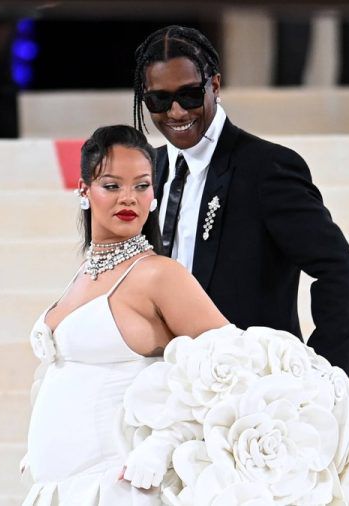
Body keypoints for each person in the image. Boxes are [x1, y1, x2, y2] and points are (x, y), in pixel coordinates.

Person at [132, 25, 349, 378]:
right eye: (159, 100)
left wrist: (321, 377)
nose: (176, 112)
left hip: (254, 393)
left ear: (215, 86)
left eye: (190, 95)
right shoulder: (150, 169)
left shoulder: (267, 168)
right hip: (169, 386)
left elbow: (339, 272)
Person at [21, 125, 228, 504]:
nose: (128, 198)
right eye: (112, 185)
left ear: (154, 195)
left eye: (142, 185)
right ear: (84, 191)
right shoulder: (83, 275)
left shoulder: (159, 275)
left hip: (118, 486)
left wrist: (164, 443)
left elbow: (231, 370)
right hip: (58, 489)